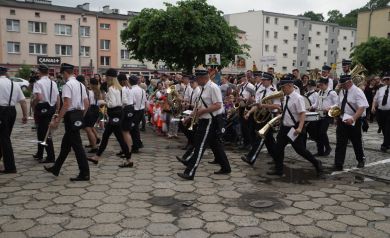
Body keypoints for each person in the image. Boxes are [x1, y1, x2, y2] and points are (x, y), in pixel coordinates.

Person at [176, 67, 231, 180]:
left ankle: (190, 172)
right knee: (215, 145)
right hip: (204, 120)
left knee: (200, 146)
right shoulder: (203, 88)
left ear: (202, 78)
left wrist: (203, 111)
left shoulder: (213, 87)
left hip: (210, 121)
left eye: (197, 78)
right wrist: (189, 117)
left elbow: (218, 105)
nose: (195, 80)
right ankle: (226, 167)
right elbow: (198, 105)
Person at [267, 74, 323, 177]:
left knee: (300, 150)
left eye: (283, 87)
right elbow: (287, 111)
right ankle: (278, 170)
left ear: (289, 85)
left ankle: (316, 163)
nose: (282, 89)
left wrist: (300, 128)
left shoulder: (298, 98)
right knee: (278, 149)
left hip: (294, 128)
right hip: (284, 127)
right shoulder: (285, 97)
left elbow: (302, 113)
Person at [44, 63, 90, 181]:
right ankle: (56, 168)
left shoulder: (67, 85)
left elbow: (66, 104)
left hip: (70, 116)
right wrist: (80, 117)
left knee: (77, 146)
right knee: (66, 145)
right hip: (78, 115)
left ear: (65, 73)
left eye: (61, 73)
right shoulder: (80, 84)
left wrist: (58, 120)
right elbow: (87, 104)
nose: (61, 76)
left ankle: (84, 173)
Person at [87, 69, 133, 168]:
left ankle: (128, 160)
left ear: (109, 78)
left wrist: (103, 102)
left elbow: (111, 104)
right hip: (120, 113)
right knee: (107, 137)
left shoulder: (111, 88)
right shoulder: (121, 88)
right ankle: (97, 157)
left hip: (114, 114)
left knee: (116, 138)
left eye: (106, 77)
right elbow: (125, 101)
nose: (105, 79)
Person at [242, 72, 279, 165]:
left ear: (270, 81)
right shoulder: (260, 90)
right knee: (269, 141)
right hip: (260, 116)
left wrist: (263, 105)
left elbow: (277, 106)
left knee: (260, 137)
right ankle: (277, 158)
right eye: (262, 80)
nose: (262, 81)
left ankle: (251, 157)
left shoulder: (274, 91)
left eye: (264, 80)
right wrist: (249, 112)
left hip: (268, 117)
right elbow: (257, 104)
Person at [334, 75, 369, 171]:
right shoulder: (342, 91)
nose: (341, 86)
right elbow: (339, 104)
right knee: (340, 143)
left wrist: (353, 119)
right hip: (342, 120)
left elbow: (361, 108)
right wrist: (334, 112)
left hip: (354, 120)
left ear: (349, 82)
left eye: (343, 84)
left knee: (356, 142)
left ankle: (360, 159)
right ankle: (338, 164)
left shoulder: (358, 92)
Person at [0, 67, 28, 173]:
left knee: (4, 139)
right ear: (5, 73)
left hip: (1, 111)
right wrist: (25, 116)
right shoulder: (14, 84)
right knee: (4, 137)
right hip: (11, 111)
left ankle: (10, 167)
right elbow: (23, 101)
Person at [32, 64, 60, 163]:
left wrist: (33, 103)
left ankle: (50, 156)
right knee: (41, 132)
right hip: (51, 108)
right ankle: (39, 153)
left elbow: (39, 98)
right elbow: (58, 98)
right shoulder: (53, 83)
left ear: (39, 72)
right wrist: (57, 110)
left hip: (42, 108)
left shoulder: (38, 83)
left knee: (44, 133)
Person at [312, 77, 338, 156]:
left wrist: (330, 108)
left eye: (321, 85)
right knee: (317, 133)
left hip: (328, 115)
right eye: (319, 85)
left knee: (322, 132)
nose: (320, 86)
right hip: (319, 114)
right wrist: (310, 107)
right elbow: (316, 104)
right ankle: (320, 151)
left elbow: (337, 104)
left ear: (326, 84)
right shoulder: (320, 92)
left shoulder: (332, 93)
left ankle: (327, 147)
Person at [78, 76, 101, 154]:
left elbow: (86, 103)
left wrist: (83, 113)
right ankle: (94, 141)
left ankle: (94, 146)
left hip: (90, 110)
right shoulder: (96, 91)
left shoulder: (88, 91)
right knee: (90, 127)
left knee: (88, 129)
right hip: (95, 109)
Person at [372, 72, 390, 152]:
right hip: (380, 111)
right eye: (385, 79)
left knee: (388, 128)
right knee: (383, 128)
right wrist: (373, 106)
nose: (386, 81)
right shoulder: (381, 89)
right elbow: (375, 99)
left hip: (389, 112)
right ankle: (388, 143)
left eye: (388, 79)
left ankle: (384, 145)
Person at [237, 73, 255, 150]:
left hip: (247, 107)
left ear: (245, 78)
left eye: (241, 78)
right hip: (241, 107)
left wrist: (243, 99)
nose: (240, 80)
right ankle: (245, 143)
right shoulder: (241, 86)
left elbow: (253, 98)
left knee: (247, 127)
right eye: (240, 79)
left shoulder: (250, 86)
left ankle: (249, 143)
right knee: (243, 127)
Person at [129, 75, 146, 153]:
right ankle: (138, 143)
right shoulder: (142, 90)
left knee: (133, 129)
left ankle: (135, 145)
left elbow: (131, 102)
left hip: (134, 111)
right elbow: (144, 101)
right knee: (135, 128)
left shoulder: (131, 90)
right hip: (141, 110)